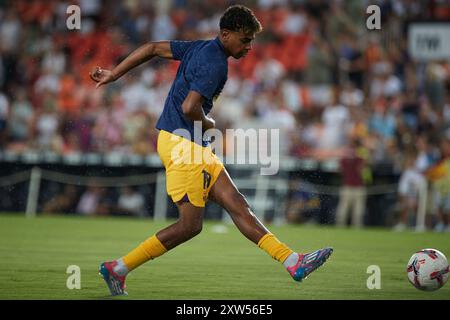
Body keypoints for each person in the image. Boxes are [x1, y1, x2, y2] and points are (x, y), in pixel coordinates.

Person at [90, 5, 332, 296]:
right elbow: (189, 108)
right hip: (184, 144)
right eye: (244, 40)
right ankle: (118, 268)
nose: (248, 47)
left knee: (237, 203)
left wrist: (115, 73)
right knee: (189, 227)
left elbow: (153, 48)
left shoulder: (199, 48)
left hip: (187, 143)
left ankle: (293, 262)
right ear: (226, 34)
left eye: (251, 41)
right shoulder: (215, 63)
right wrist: (209, 123)